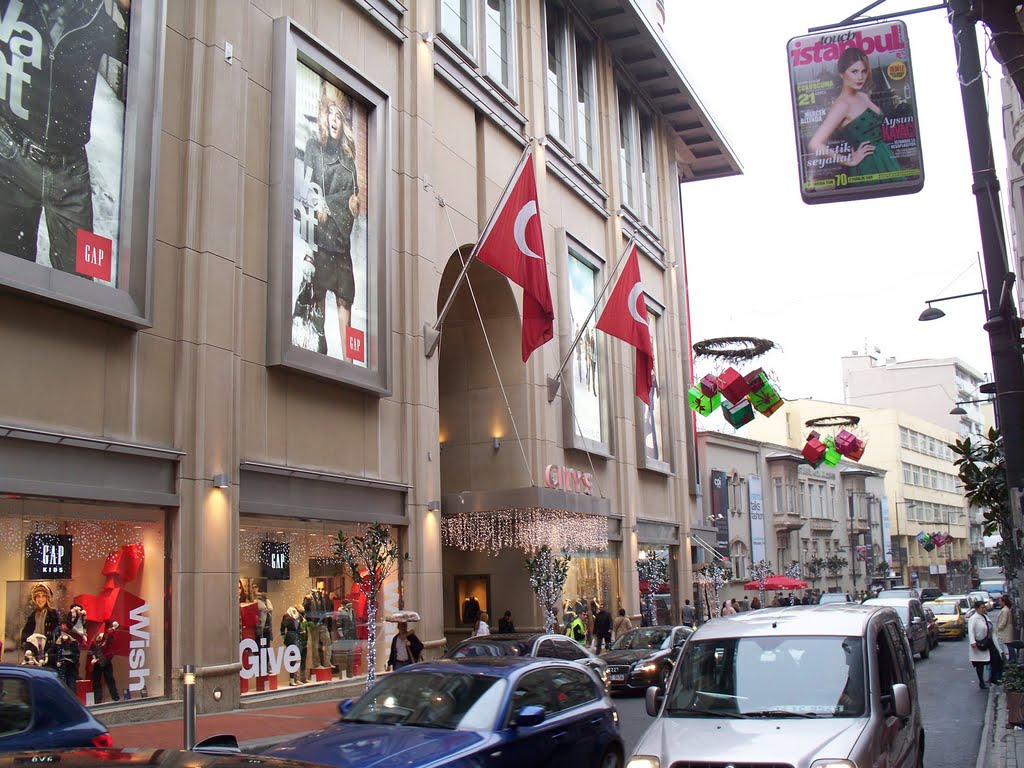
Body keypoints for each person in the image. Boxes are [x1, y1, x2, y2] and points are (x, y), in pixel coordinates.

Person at [0, 0, 131, 276]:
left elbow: (137, 51)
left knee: (80, 279)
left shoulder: (93, 17)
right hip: (12, 152)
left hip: (69, 170)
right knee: (11, 269)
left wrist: (128, 11)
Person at [293, 81, 361, 357]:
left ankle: (349, 360)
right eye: (331, 114)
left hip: (341, 243)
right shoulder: (313, 147)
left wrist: (332, 206)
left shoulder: (349, 161)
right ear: (325, 117)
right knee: (319, 295)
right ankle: (320, 354)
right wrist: (328, 204)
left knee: (345, 298)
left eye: (340, 116)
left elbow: (353, 202)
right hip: (320, 240)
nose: (335, 120)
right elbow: (306, 188)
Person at [807, 47, 900, 181]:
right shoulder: (841, 106)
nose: (860, 77)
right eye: (854, 71)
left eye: (864, 71)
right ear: (842, 73)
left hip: (886, 159)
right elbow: (815, 143)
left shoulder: (864, 95)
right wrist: (849, 161)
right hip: (867, 166)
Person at [20, 583, 59, 668]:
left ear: (47, 598)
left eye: (43, 596)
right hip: (34, 652)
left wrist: (50, 651)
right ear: (34, 598)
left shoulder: (53, 614)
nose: (40, 599)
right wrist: (25, 644)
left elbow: (56, 634)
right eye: (38, 596)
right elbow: (26, 632)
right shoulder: (33, 614)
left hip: (49, 653)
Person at [969, 600, 1002, 688]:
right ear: (977, 609)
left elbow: (991, 628)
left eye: (985, 607)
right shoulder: (973, 619)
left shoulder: (985, 617)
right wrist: (973, 642)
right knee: (980, 664)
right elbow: (971, 631)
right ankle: (981, 682)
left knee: (996, 659)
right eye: (982, 608)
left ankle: (993, 678)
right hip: (979, 643)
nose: (984, 609)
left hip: (988, 641)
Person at [90, 620, 120, 703]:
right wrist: (94, 658)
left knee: (109, 679)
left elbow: (110, 635)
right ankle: (97, 699)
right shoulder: (94, 641)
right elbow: (91, 650)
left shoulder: (107, 639)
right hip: (98, 663)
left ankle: (115, 697)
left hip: (106, 662)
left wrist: (114, 628)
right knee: (97, 681)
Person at [997, 594, 1017, 663]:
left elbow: (1004, 620)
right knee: (1009, 644)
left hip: (1006, 630)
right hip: (1007, 630)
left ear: (1003, 602)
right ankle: (1012, 658)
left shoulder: (1005, 610)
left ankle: (1013, 658)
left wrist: (999, 627)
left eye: (1000, 601)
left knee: (1009, 644)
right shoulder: (1006, 609)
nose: (999, 603)